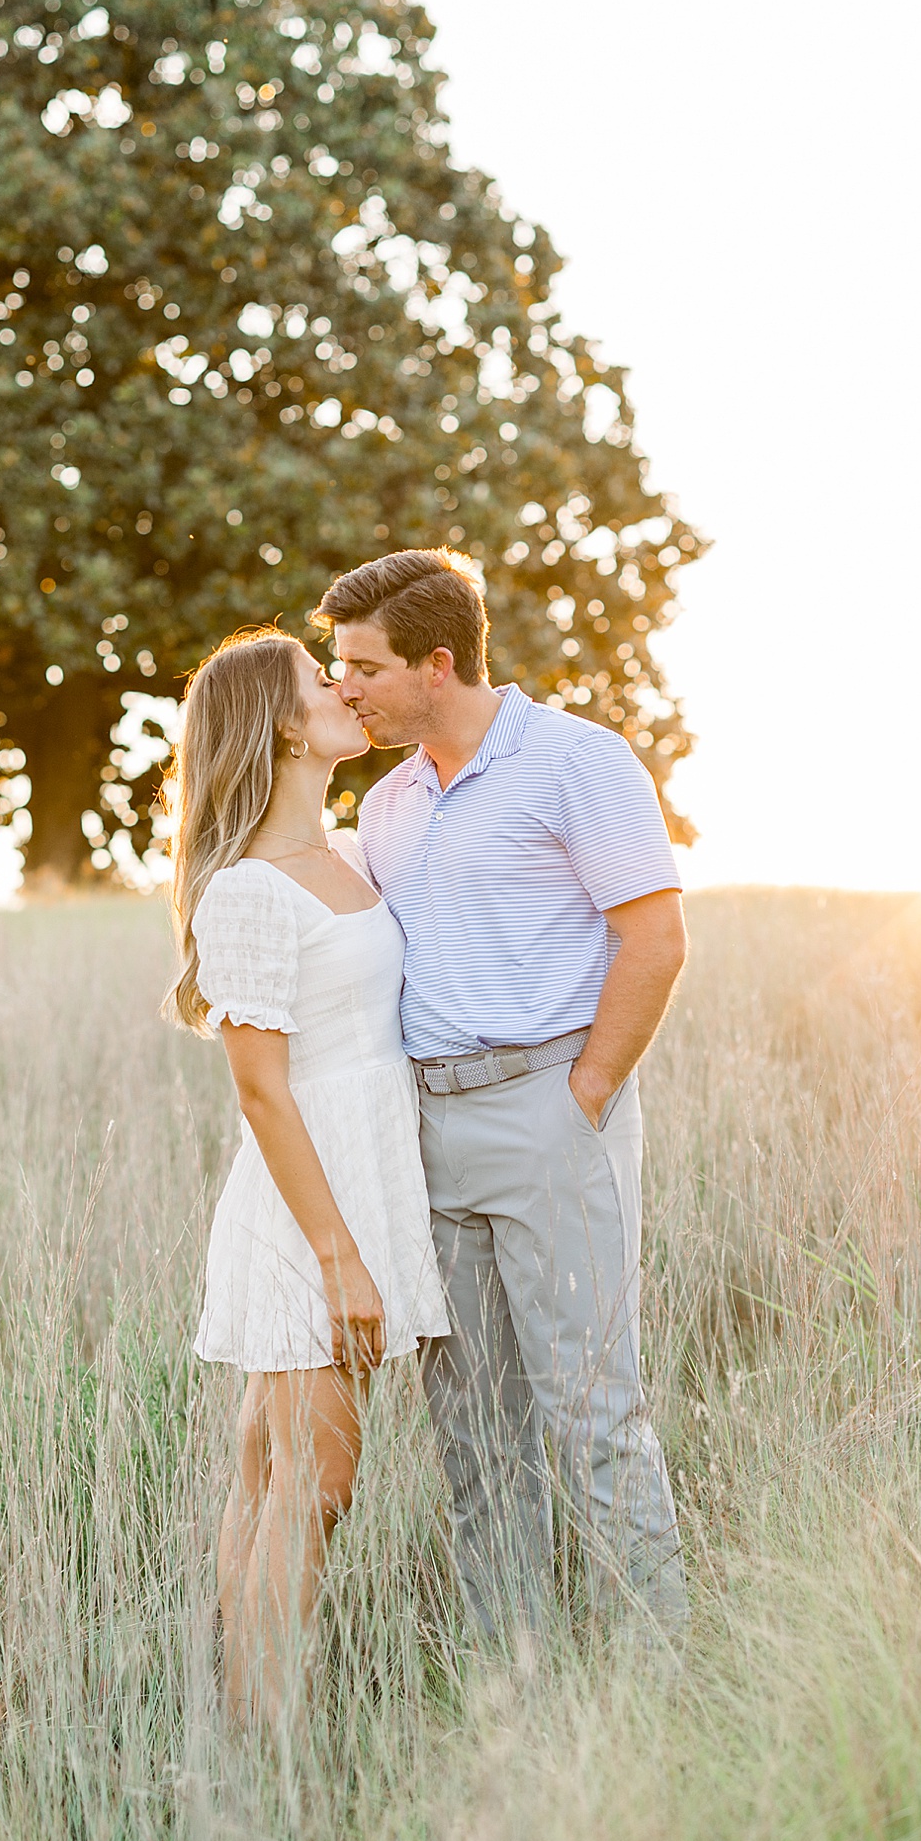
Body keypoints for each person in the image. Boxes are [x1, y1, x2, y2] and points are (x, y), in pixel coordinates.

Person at [315, 549, 690, 1648]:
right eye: (340, 667)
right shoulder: (389, 804)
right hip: (428, 1128)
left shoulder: (577, 760)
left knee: (592, 1411)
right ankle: (511, 1673)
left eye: (365, 666)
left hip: (549, 1112)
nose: (344, 685)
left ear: (438, 663)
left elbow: (656, 938)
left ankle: (654, 1672)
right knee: (474, 1430)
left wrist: (585, 1096)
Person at [162, 626, 450, 1730]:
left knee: (271, 1470)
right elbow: (262, 1091)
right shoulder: (247, 893)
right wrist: (340, 1255)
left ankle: (239, 1722)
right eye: (319, 680)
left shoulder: (349, 855)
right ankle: (265, 1736)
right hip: (304, 1209)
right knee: (316, 1483)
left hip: (360, 1179)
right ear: (282, 726)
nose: (343, 687)